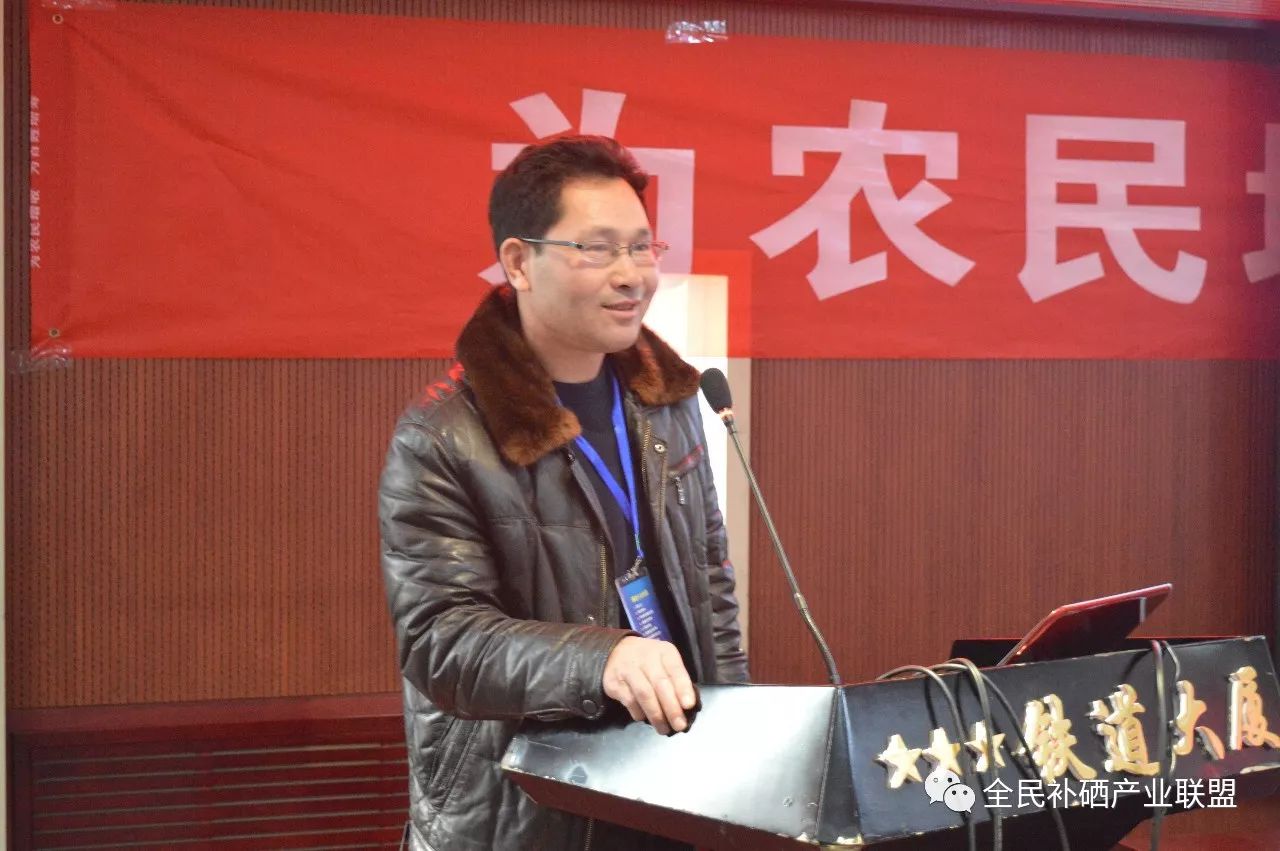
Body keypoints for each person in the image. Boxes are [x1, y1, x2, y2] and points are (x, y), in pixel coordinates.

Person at [378, 135, 749, 851]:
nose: (631, 275)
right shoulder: (443, 436)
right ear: (519, 262)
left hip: (671, 790)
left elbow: (710, 587)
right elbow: (439, 641)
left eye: (641, 247)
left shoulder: (668, 401)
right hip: (520, 814)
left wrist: (735, 746)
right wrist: (601, 658)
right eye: (598, 249)